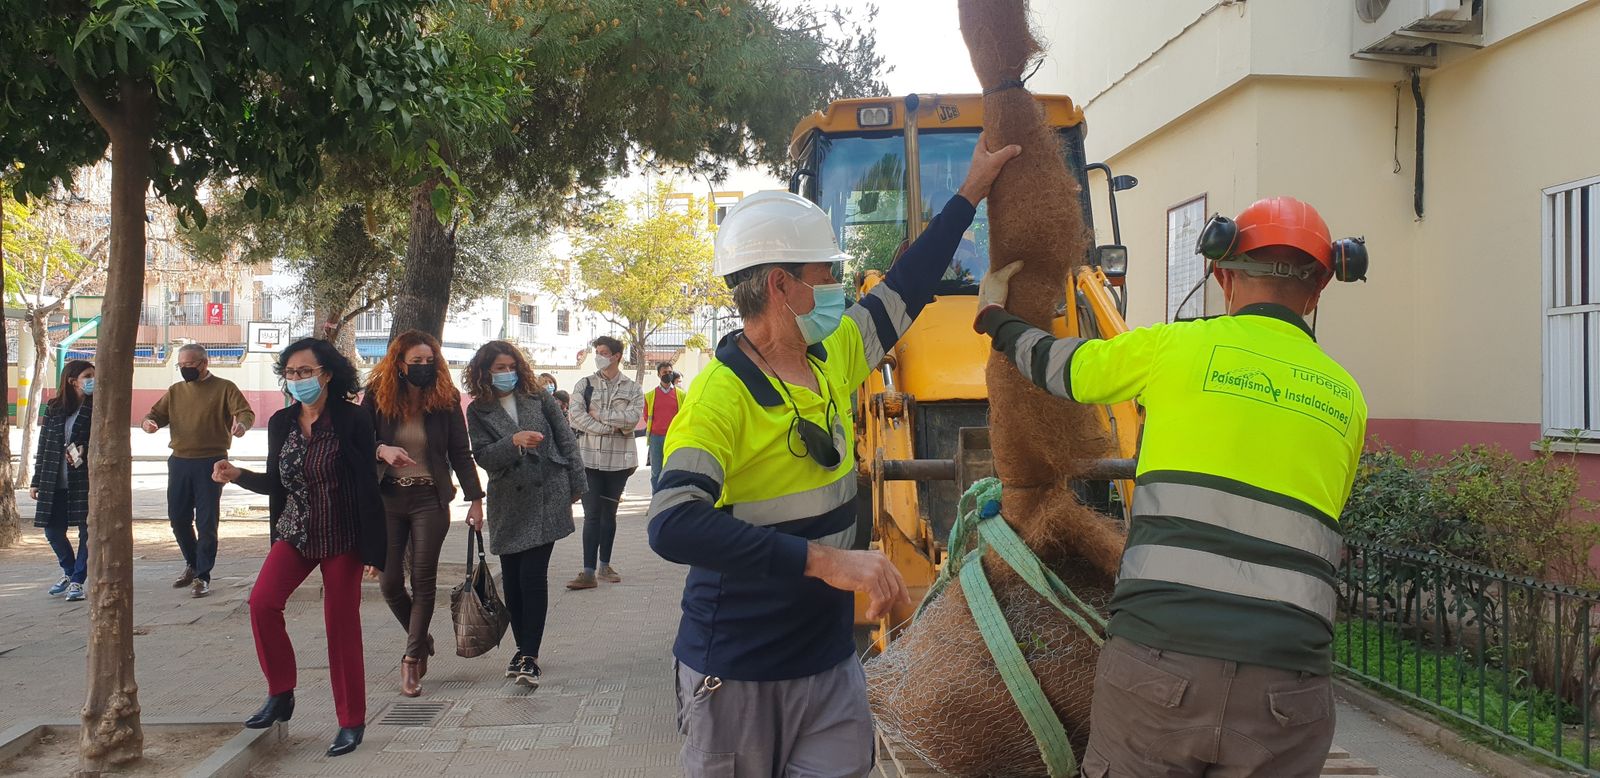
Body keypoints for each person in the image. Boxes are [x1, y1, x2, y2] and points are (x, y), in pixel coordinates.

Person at [646, 133, 1020, 776]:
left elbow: (906, 286)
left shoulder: (832, 356)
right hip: (738, 672)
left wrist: (969, 195)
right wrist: (827, 563)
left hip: (828, 662)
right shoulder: (718, 396)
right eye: (828, 274)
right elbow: (672, 522)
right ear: (781, 285)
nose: (839, 287)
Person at [974, 196, 1369, 777]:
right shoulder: (1349, 400)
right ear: (1318, 291)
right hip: (1286, 693)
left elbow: (1062, 366)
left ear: (1225, 276)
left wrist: (995, 319)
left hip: (1159, 667)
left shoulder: (1174, 349)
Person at [213, 338, 385, 758]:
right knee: (261, 603)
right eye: (290, 373)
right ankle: (281, 692)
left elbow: (367, 485)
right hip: (295, 532)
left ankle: (350, 721)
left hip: (343, 535)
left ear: (326, 374)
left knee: (340, 626)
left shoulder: (352, 420)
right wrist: (237, 474)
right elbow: (277, 483)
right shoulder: (281, 422)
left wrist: (376, 551)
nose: (297, 379)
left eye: (305, 372)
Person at [361, 330, 485, 697]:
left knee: (423, 581)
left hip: (430, 499)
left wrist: (476, 500)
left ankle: (411, 660)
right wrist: (381, 449)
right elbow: (357, 443)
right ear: (399, 364)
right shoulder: (376, 399)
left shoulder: (445, 400)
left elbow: (461, 453)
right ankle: (421, 637)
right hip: (388, 500)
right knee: (389, 584)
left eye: (430, 362)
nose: (424, 368)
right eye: (416, 362)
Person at [463, 341, 587, 687]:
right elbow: (484, 456)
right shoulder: (478, 410)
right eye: (499, 368)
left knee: (533, 575)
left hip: (547, 491)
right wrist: (514, 441)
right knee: (513, 579)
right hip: (507, 501)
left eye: (510, 366)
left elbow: (566, 439)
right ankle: (521, 648)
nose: (506, 373)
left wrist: (577, 484)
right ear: (484, 372)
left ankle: (529, 655)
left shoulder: (539, 397)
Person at [141, 343, 255, 598]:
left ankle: (203, 575)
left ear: (204, 363)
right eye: (180, 366)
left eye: (189, 365)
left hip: (211, 461)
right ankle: (192, 563)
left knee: (206, 520)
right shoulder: (176, 391)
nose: (184, 370)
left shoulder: (225, 388)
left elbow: (245, 412)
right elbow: (154, 415)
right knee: (178, 517)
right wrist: (149, 423)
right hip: (179, 461)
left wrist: (242, 426)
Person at [565, 336, 643, 590]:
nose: (599, 355)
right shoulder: (584, 384)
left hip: (619, 463)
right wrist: (608, 428)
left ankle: (605, 565)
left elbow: (632, 419)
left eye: (604, 352)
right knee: (592, 515)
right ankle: (588, 572)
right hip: (588, 460)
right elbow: (575, 416)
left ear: (617, 355)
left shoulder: (632, 388)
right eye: (597, 351)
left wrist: (601, 415)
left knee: (609, 514)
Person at [32, 360, 95, 602]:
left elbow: (104, 438)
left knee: (86, 532)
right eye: (88, 376)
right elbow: (44, 444)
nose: (92, 380)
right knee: (53, 531)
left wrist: (85, 448)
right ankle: (69, 571)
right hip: (54, 478)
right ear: (72, 381)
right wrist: (36, 480)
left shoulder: (97, 406)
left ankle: (78, 580)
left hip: (83, 478)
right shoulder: (55, 407)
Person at [645, 361, 686, 491]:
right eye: (664, 373)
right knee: (656, 472)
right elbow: (646, 416)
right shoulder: (650, 396)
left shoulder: (681, 395)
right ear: (658, 375)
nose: (667, 375)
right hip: (656, 438)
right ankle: (657, 502)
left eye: (670, 372)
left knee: (675, 470)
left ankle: (672, 502)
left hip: (675, 437)